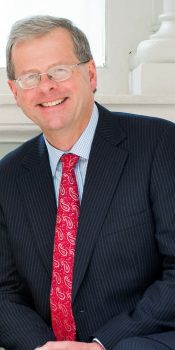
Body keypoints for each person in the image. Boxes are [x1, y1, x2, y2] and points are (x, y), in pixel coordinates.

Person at [0, 14, 175, 350]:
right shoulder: (7, 178)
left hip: (140, 339)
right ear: (15, 92)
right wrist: (44, 347)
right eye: (30, 77)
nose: (46, 86)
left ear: (90, 74)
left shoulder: (158, 144)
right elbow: (3, 292)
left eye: (59, 71)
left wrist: (101, 344)